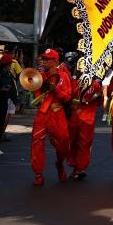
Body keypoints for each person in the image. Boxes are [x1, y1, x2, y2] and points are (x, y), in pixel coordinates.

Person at [30, 49, 73, 186]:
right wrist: (38, 85)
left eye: (47, 59)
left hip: (57, 113)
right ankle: (38, 174)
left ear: (55, 61)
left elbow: (67, 96)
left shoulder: (63, 76)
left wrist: (56, 89)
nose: (44, 61)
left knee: (63, 144)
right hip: (43, 113)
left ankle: (60, 163)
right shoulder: (40, 75)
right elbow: (35, 96)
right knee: (36, 142)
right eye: (43, 59)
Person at [67, 67, 102, 180]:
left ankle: (79, 168)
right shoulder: (73, 83)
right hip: (77, 118)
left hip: (86, 118)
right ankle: (76, 167)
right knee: (74, 143)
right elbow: (68, 97)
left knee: (83, 144)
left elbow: (98, 100)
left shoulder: (95, 85)